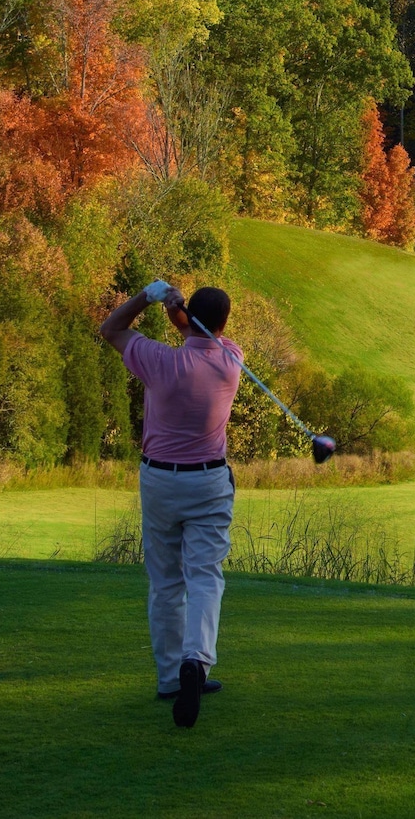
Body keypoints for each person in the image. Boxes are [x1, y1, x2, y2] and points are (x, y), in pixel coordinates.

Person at [98, 280, 242, 728]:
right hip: (209, 481)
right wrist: (179, 312)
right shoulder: (231, 360)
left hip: (160, 479)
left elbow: (111, 329)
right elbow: (196, 332)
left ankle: (169, 678)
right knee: (204, 576)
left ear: (191, 316)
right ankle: (196, 661)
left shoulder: (160, 361)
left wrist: (149, 297)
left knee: (165, 582)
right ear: (224, 323)